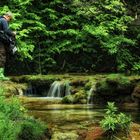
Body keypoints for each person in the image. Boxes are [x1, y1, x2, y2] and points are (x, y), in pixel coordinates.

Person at [0, 12, 16, 80]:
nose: (9, 21)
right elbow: (7, 31)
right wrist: (13, 33)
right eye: (10, 19)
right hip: (0, 41)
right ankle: (0, 75)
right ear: (8, 16)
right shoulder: (3, 20)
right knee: (2, 55)